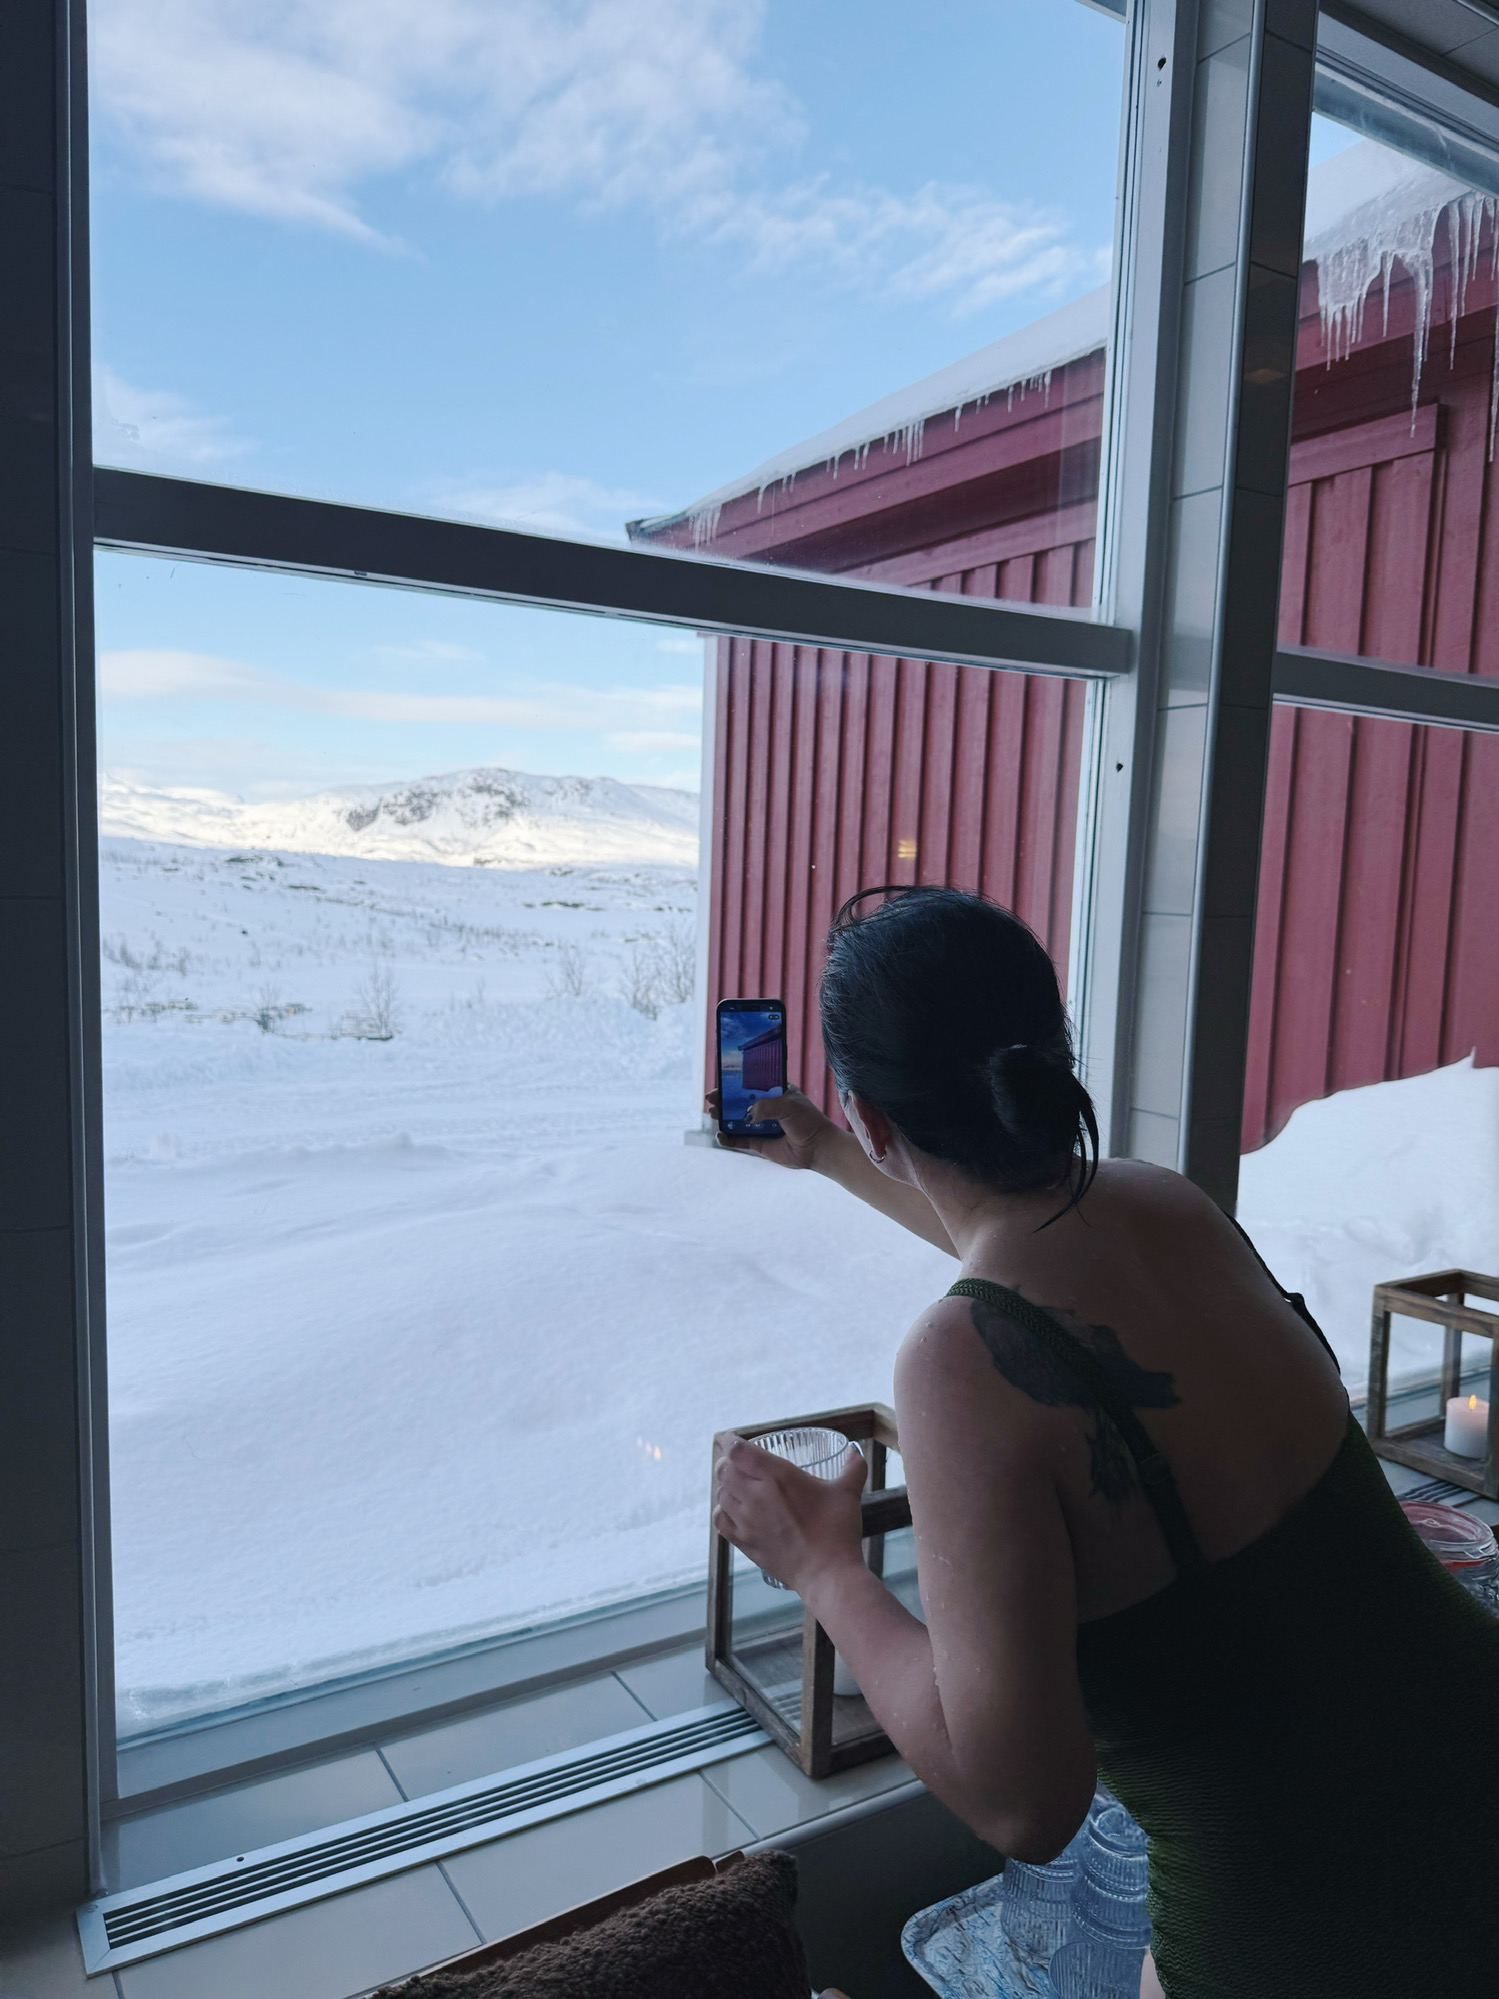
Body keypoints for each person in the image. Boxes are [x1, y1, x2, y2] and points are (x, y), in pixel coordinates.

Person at [709, 885, 1499, 1999]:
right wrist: (839, 1155)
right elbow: (1017, 1248)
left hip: (1321, 1921)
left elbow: (1021, 1805)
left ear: (883, 1119)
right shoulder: (1162, 1204)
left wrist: (823, 1566)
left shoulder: (955, 1365)